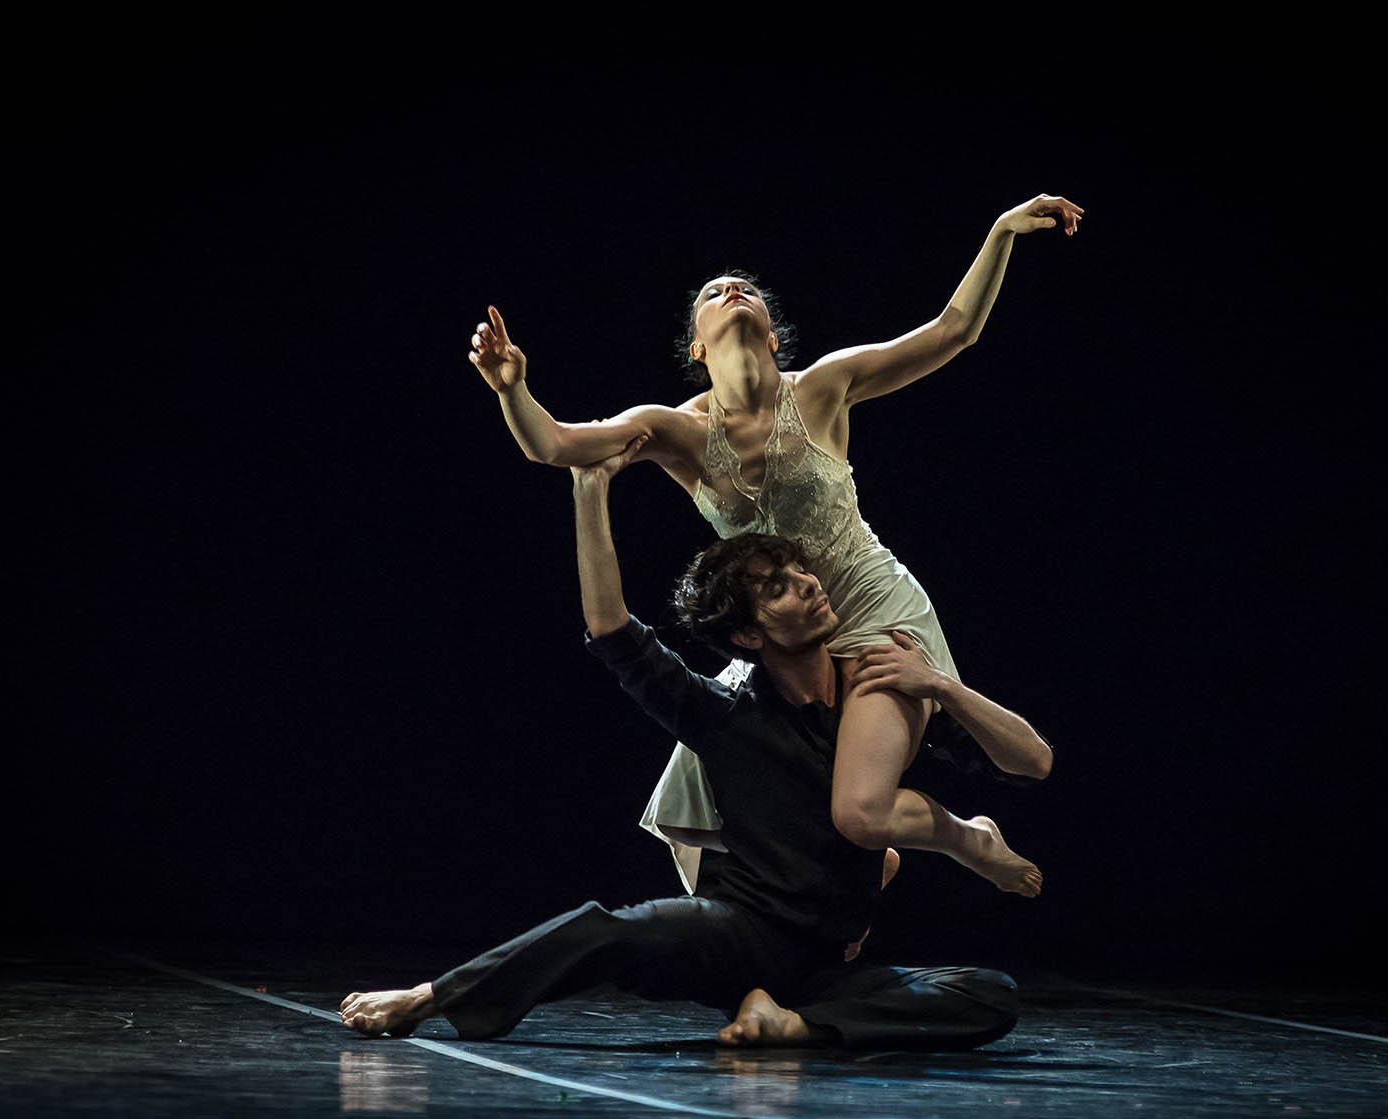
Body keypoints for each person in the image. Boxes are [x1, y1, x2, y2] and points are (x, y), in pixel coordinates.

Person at [340, 438, 1054, 1049]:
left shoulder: (878, 689)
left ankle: (792, 1023)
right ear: (748, 634)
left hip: (825, 965)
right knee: (612, 929)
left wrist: (942, 684)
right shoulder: (726, 714)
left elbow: (1032, 760)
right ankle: (434, 996)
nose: (807, 583)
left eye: (799, 570)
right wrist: (590, 491)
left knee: (991, 994)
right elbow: (612, 631)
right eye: (778, 587)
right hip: (742, 933)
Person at [468, 194, 1081, 891]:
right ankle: (762, 945)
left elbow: (955, 329)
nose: (732, 290)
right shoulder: (677, 431)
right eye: (713, 292)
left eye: (747, 290)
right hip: (783, 634)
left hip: (870, 609)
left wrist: (1000, 231)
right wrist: (511, 390)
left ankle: (968, 837)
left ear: (772, 338)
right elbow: (557, 446)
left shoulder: (823, 386)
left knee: (860, 806)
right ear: (696, 346)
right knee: (688, 801)